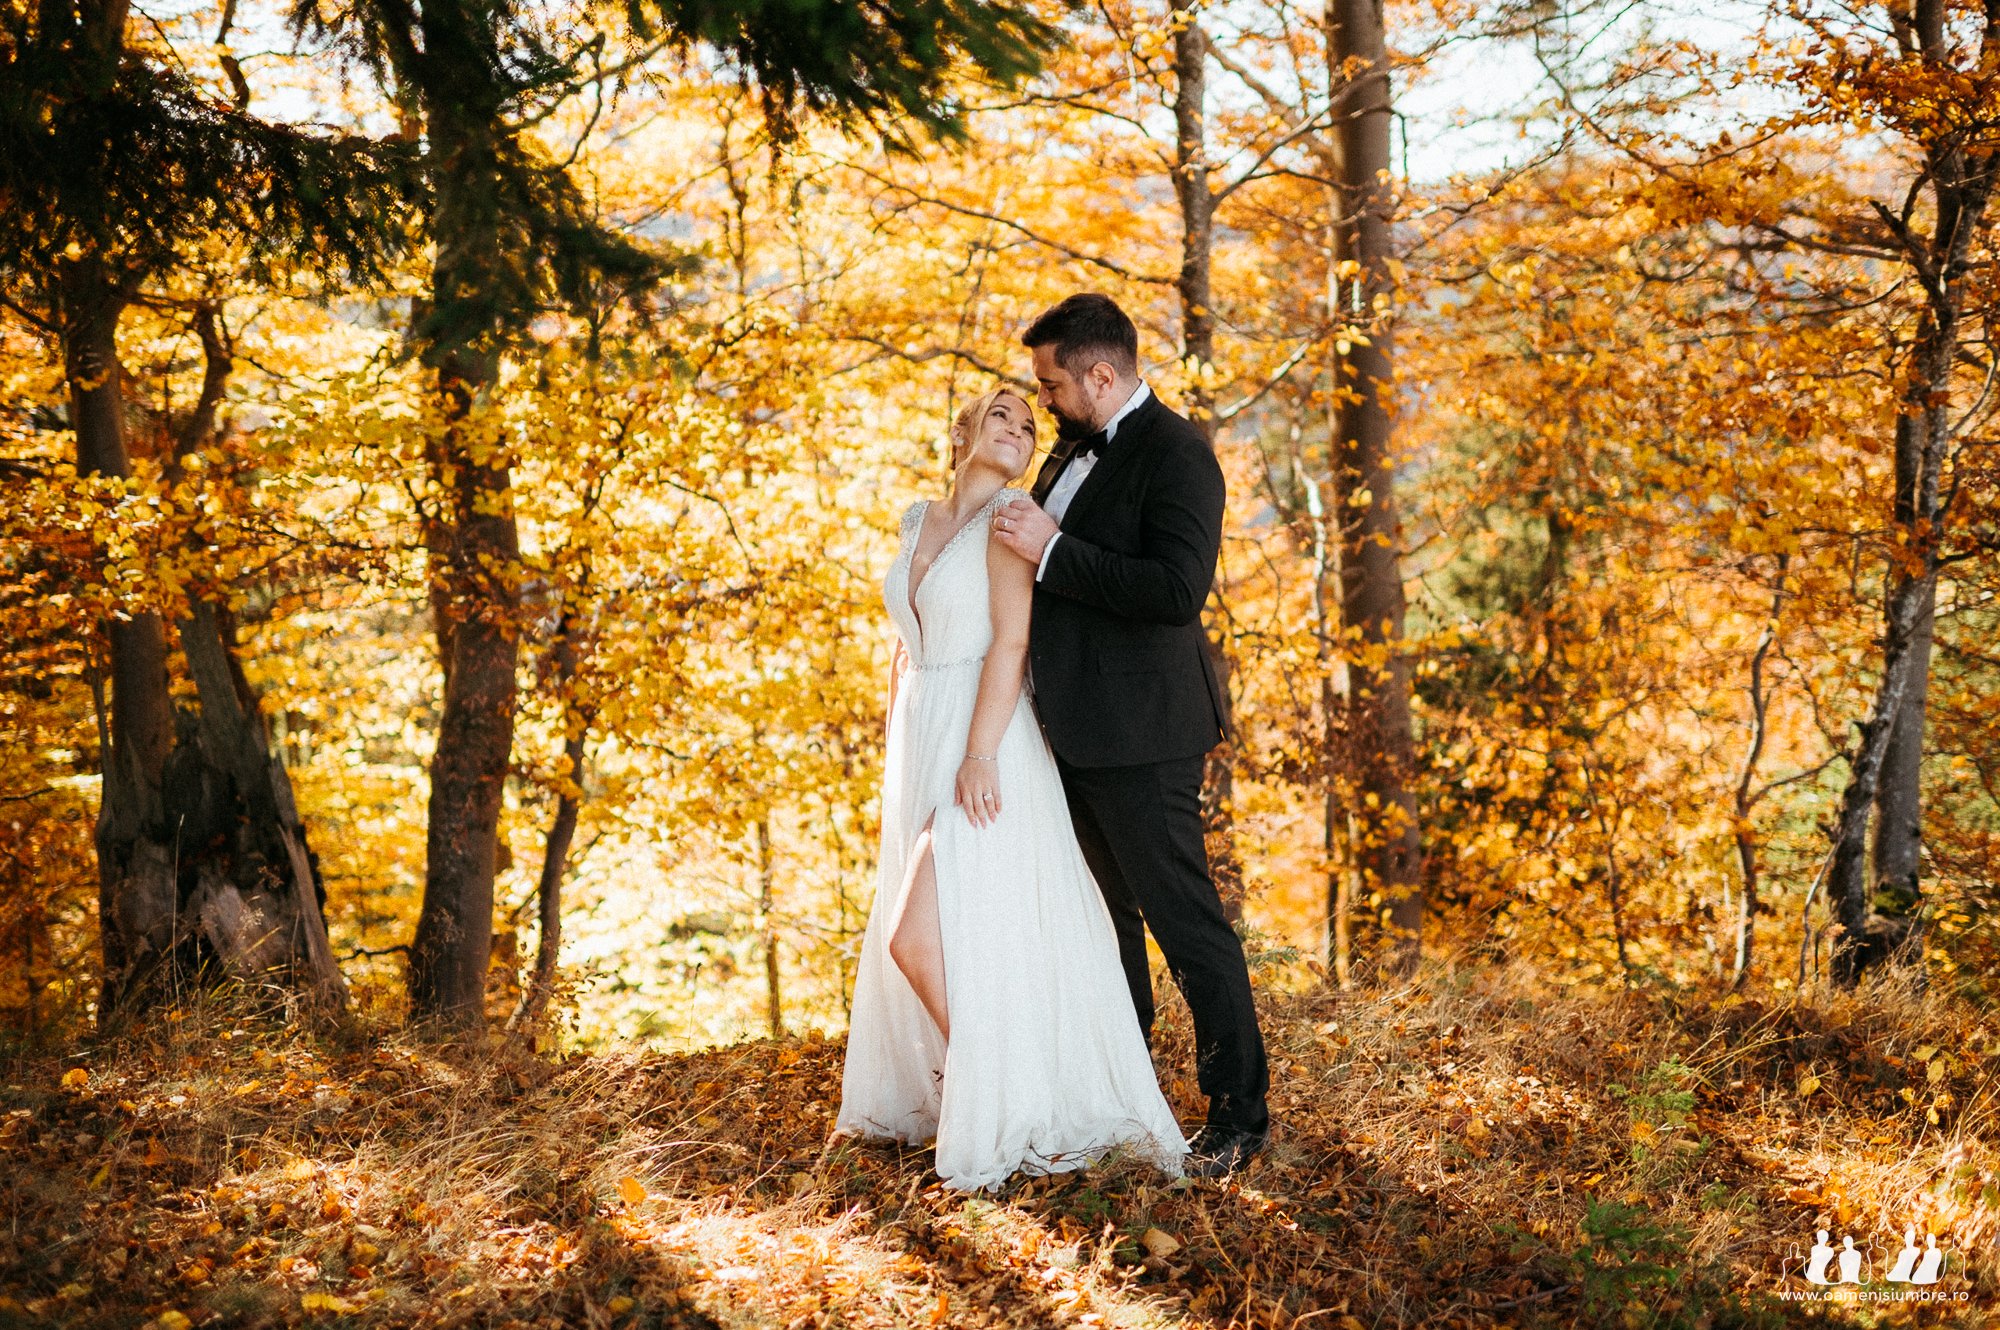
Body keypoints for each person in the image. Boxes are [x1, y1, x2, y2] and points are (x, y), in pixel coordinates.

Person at [834, 385, 1187, 1191]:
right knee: (954, 929)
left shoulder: (1009, 521)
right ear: (962, 428)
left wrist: (980, 756)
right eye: (1003, 414)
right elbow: (905, 641)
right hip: (922, 732)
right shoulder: (917, 519)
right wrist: (898, 736)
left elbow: (1013, 643)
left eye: (1031, 426)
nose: (1021, 430)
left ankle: (1005, 1086)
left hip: (985, 741)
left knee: (915, 937)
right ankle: (987, 1080)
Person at [989, 292, 1271, 1177]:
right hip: (1070, 729)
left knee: (1186, 925)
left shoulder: (1179, 453)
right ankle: (1124, 1094)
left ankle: (1239, 1117)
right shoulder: (1074, 448)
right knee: (1102, 929)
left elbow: (1175, 591)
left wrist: (1050, 548)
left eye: (1051, 385)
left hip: (1145, 733)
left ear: (1100, 375)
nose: (1042, 401)